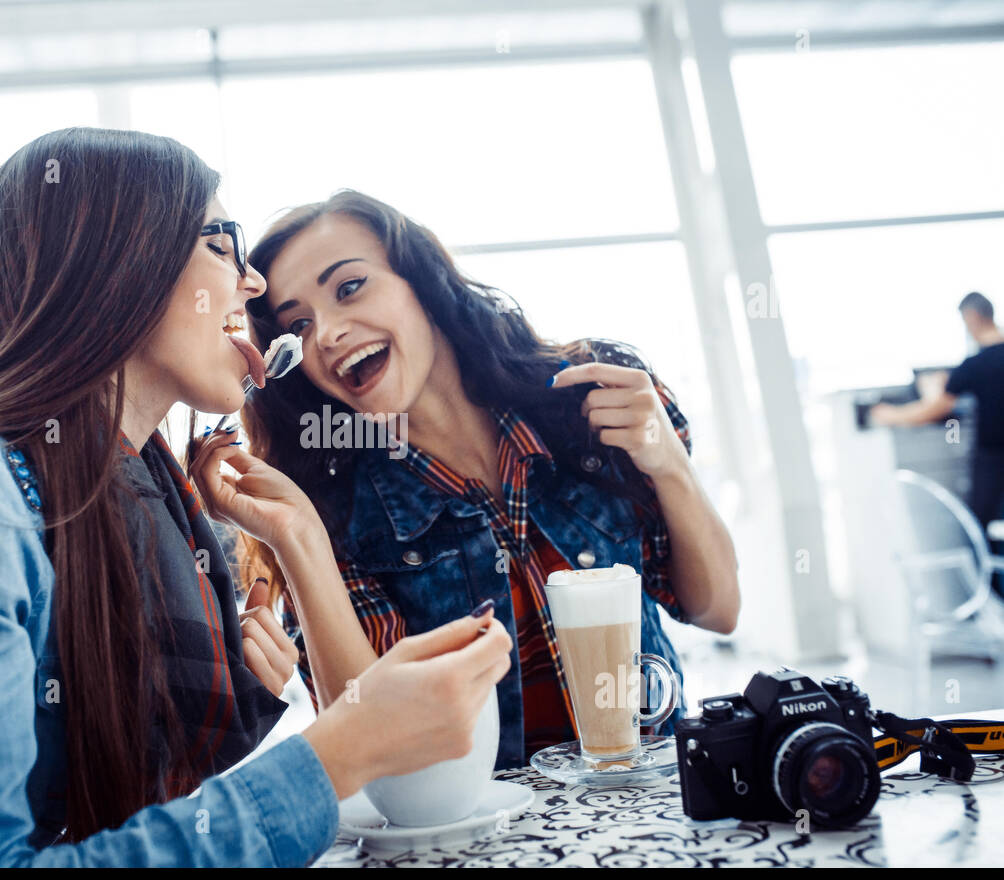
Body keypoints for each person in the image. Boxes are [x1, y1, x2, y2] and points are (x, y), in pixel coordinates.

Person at [0, 129, 512, 867]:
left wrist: (243, 701)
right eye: (223, 245)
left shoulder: (151, 495)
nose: (251, 285)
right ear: (117, 263)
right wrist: (336, 754)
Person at [236, 190, 740, 768]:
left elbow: (717, 610)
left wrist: (668, 462)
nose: (323, 334)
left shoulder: (593, 399)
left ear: (421, 283)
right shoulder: (331, 510)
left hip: (645, 808)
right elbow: (372, 743)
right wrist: (298, 542)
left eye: (349, 288)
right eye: (297, 324)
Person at [870, 292, 1004, 537]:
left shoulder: (976, 364)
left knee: (978, 529)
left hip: (993, 459)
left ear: (972, 317)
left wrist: (889, 415)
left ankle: (987, 575)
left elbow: (933, 409)